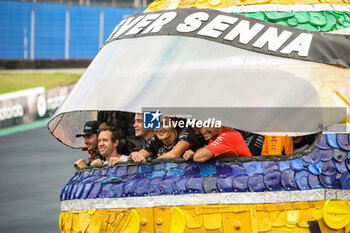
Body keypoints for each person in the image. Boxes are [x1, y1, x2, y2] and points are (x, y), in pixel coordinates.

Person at [130, 117, 201, 163]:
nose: (159, 129)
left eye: (164, 124)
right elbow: (139, 155)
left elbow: (174, 154)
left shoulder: (186, 131)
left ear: (173, 124)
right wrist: (134, 155)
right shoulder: (155, 139)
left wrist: (151, 163)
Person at [183, 126, 252, 162]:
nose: (203, 131)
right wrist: (191, 155)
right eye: (201, 127)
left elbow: (198, 157)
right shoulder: (213, 139)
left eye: (207, 125)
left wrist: (195, 155)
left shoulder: (229, 135)